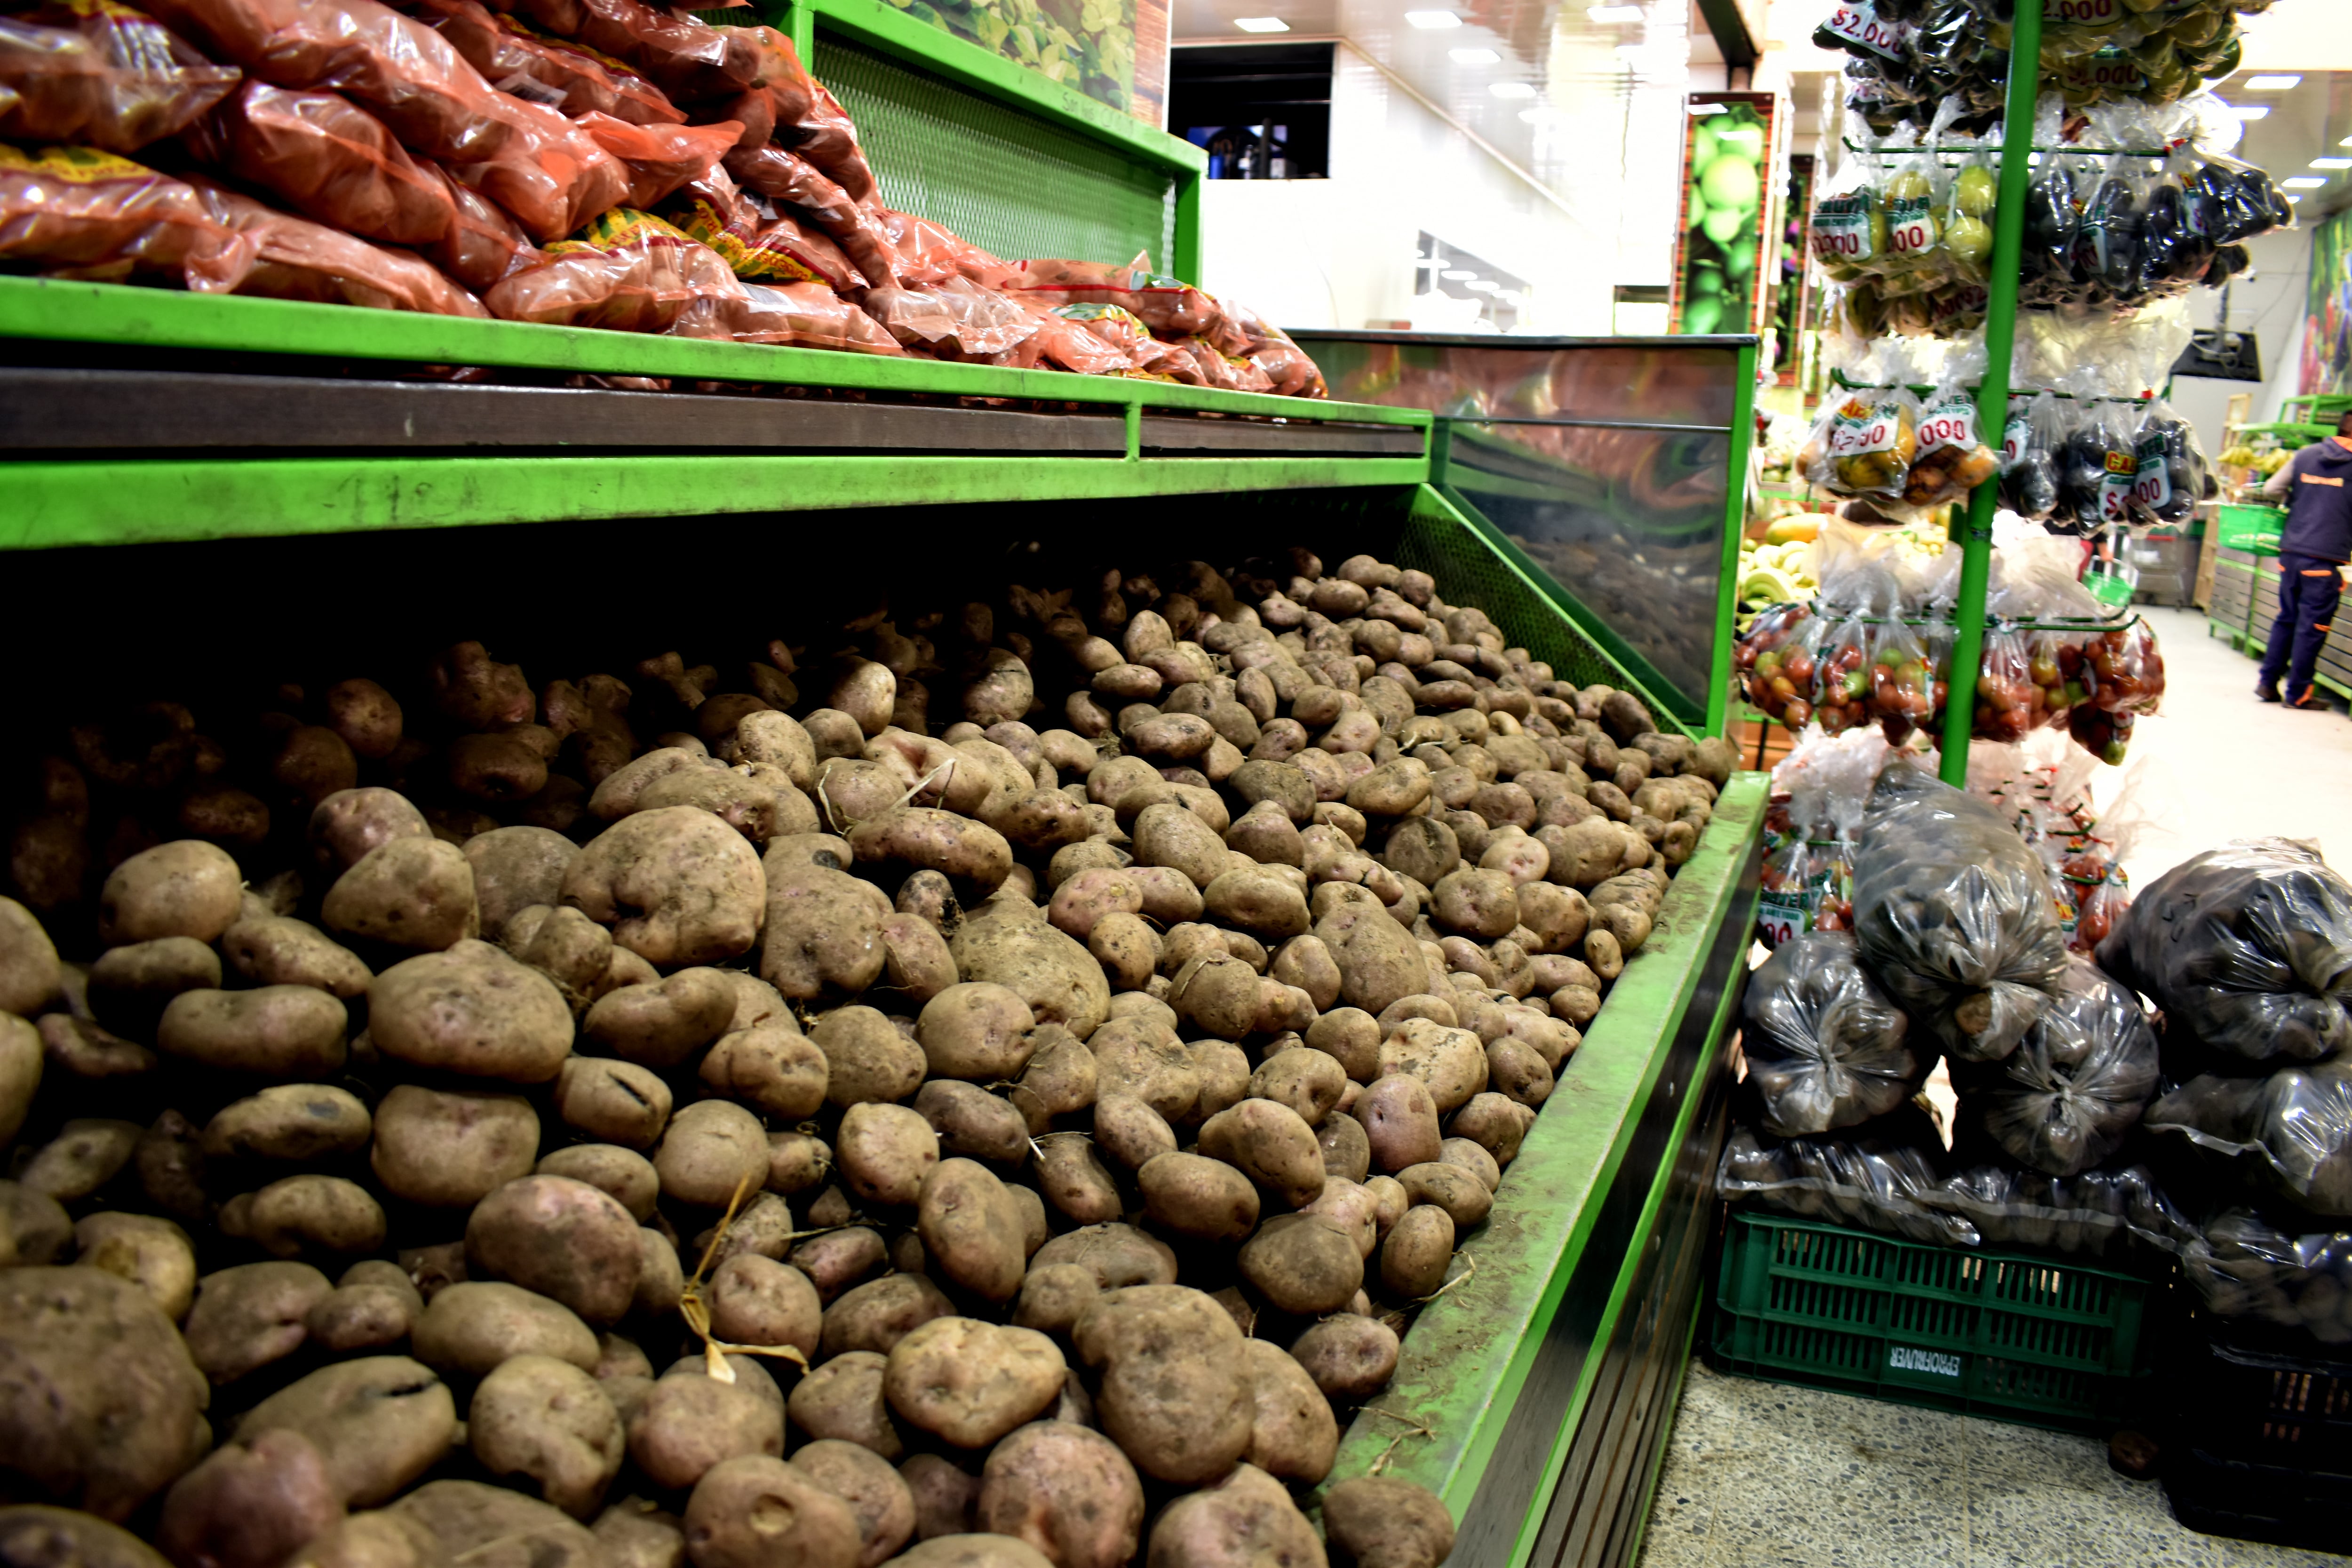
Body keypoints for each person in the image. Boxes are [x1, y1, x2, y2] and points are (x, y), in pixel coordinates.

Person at [2257, 411, 2352, 709]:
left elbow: (2271, 488)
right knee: (2312, 629)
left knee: (2287, 618)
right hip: (2324, 558)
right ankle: (2298, 694)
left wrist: (2302, 503)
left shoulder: (2306, 454)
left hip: (2291, 552)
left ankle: (2268, 683)